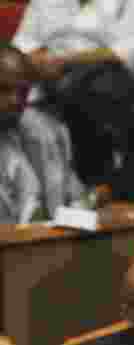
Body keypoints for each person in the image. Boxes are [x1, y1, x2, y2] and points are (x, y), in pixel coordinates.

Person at [11, 0, 134, 184]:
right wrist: (40, 61)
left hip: (108, 77)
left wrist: (67, 61)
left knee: (99, 86)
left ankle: (95, 177)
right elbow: (24, 41)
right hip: (46, 77)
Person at [0, 44, 85, 223]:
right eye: (3, 89)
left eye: (23, 91)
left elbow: (76, 203)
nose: (15, 100)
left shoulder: (48, 132)